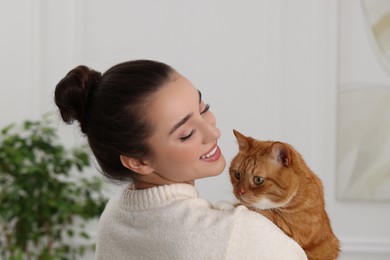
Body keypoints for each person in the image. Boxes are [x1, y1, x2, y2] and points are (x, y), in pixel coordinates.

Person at [54, 60, 307, 260]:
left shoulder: (114, 218)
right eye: (186, 134)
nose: (214, 132)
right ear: (138, 162)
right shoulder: (236, 234)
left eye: (203, 108)